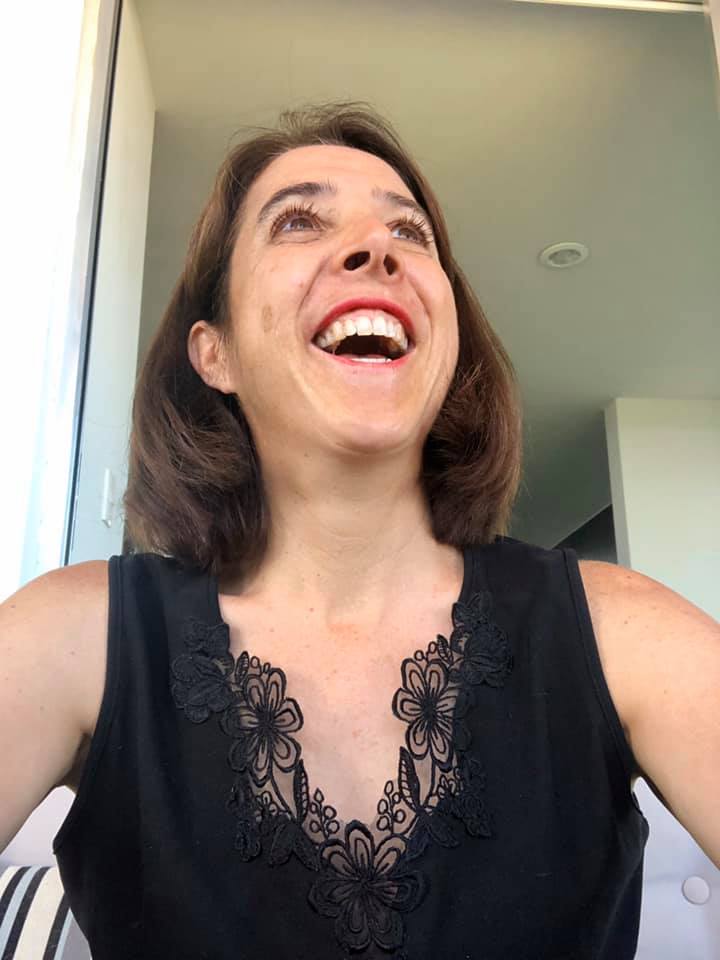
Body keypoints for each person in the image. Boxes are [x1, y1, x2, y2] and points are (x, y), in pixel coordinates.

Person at [1, 102, 718, 960]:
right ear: (214, 352)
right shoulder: (70, 636)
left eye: (409, 232)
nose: (375, 248)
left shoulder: (621, 629)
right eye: (298, 222)